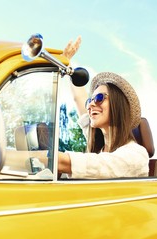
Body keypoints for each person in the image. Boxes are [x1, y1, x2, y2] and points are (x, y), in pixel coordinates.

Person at [57, 37, 149, 178]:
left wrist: (42, 158)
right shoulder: (98, 145)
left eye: (99, 98)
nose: (91, 105)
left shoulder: (136, 155)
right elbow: (78, 98)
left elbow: (95, 166)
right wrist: (65, 64)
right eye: (90, 100)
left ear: (118, 106)